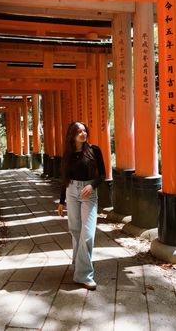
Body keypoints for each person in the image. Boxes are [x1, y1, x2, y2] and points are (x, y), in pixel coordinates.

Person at [58, 121, 106, 290]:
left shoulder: (94, 150)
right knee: (76, 231)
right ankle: (77, 264)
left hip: (89, 193)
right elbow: (65, 180)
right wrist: (61, 202)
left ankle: (84, 275)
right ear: (72, 135)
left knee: (87, 234)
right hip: (71, 192)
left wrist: (92, 185)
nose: (83, 134)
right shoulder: (68, 155)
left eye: (85, 130)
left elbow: (102, 175)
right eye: (79, 131)